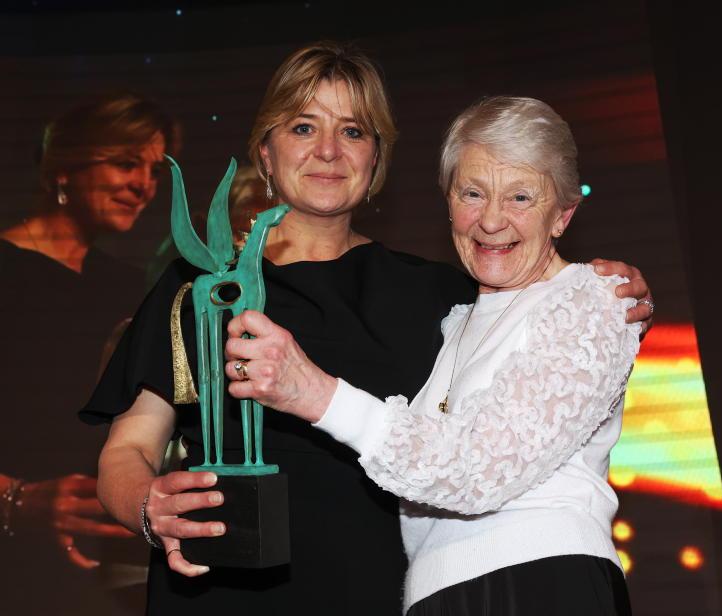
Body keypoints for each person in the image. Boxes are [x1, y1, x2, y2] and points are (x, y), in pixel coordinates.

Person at [81, 42, 652, 615]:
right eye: (303, 127)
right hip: (217, 589)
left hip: (383, 592)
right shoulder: (203, 286)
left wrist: (600, 290)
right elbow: (127, 450)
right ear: (266, 152)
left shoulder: (445, 295)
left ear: (376, 157)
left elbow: (535, 345)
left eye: (352, 131)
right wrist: (148, 508)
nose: (328, 150)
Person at [224, 96, 641, 615]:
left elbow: (476, 471)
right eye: (473, 193)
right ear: (447, 200)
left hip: (541, 582)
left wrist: (313, 392)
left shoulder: (593, 299)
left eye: (520, 197)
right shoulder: (451, 320)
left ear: (562, 214)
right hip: (435, 596)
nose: (491, 220)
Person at [0, 92, 176, 615]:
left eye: (154, 171)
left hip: (114, 563)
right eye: (125, 163)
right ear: (63, 166)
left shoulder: (131, 285)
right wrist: (16, 501)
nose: (144, 185)